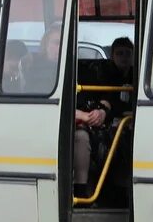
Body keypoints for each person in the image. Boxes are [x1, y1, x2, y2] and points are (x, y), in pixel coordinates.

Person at [23, 24, 105, 198]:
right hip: (44, 126)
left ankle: (87, 191)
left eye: (64, 44)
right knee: (80, 138)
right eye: (55, 43)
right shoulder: (36, 70)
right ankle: (81, 192)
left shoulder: (77, 70)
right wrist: (81, 116)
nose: (59, 48)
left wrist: (101, 112)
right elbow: (47, 105)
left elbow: (99, 95)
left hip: (81, 124)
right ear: (45, 46)